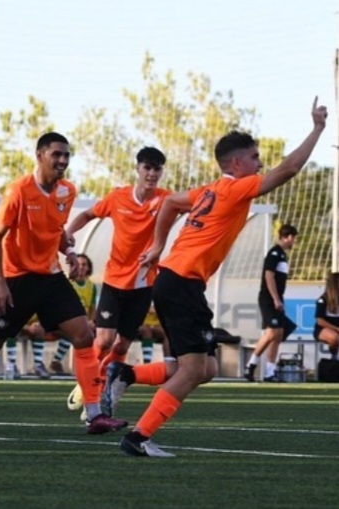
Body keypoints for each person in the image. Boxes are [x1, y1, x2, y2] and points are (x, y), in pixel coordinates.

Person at [106, 97, 327, 458]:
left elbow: (170, 203)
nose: (260, 164)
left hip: (176, 282)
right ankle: (138, 437)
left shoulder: (209, 190)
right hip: (180, 284)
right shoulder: (236, 187)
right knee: (193, 370)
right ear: (237, 164)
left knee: (204, 367)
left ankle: (126, 374)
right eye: (255, 158)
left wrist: (160, 244)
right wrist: (317, 128)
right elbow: (287, 170)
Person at [0, 131, 127, 435]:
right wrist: (0, 283)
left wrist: (68, 251)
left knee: (84, 335)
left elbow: (55, 230)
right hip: (16, 280)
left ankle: (94, 414)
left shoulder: (67, 191)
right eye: (57, 154)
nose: (63, 160)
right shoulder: (18, 191)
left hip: (51, 278)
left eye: (67, 155)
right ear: (40, 155)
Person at [64, 147, 171, 407]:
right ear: (138, 169)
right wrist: (69, 232)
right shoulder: (118, 197)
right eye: (147, 168)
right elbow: (88, 214)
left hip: (144, 284)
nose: (152, 174)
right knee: (103, 341)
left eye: (157, 169)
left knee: (122, 346)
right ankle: (86, 385)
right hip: (114, 281)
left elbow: (193, 206)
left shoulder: (166, 199)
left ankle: (106, 391)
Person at [245, 224, 299, 382]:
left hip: (277, 298)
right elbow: (269, 276)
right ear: (287, 237)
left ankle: (270, 371)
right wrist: (275, 298)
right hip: (268, 299)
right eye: (293, 239)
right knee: (272, 333)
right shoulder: (274, 253)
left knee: (278, 334)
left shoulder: (282, 255)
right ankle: (251, 365)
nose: (293, 242)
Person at [50, 253, 97, 375]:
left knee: (99, 333)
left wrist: (91, 321)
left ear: (88, 268)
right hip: (65, 321)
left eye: (84, 265)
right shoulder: (66, 284)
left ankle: (96, 365)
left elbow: (92, 308)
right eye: (78, 264)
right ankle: (56, 361)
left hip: (83, 323)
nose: (81, 267)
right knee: (75, 332)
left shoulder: (92, 286)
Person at [313, 272, 339, 360]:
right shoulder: (323, 300)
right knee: (335, 337)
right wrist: (336, 328)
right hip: (323, 329)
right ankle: (334, 355)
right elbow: (320, 321)